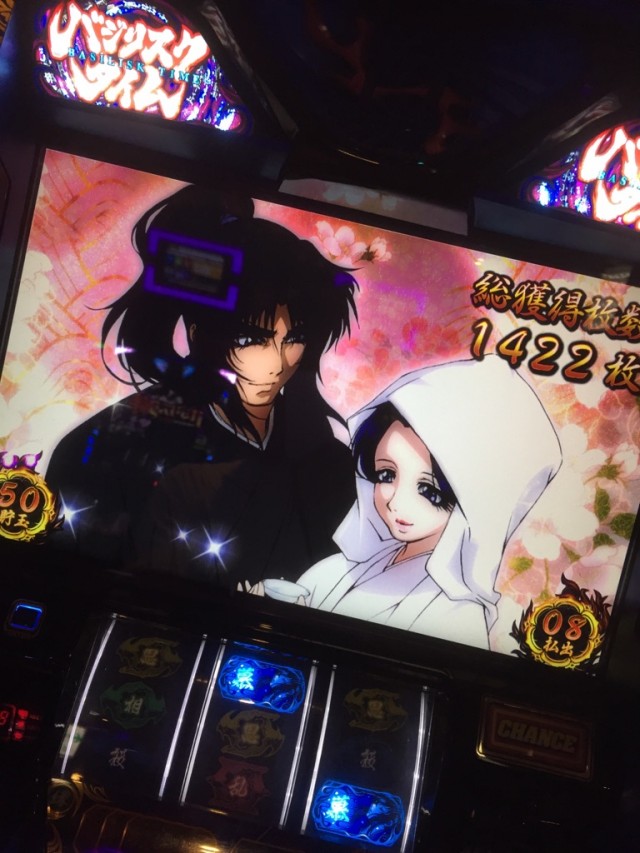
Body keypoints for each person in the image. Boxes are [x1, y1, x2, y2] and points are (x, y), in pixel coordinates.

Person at [44, 185, 359, 588]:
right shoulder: (112, 445)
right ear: (198, 333)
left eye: (294, 338)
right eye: (251, 339)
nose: (277, 363)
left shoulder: (326, 461)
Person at [257, 356, 562, 650]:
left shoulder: (459, 616)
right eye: (386, 474)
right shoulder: (338, 569)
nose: (396, 502)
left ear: (473, 502)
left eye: (429, 491)